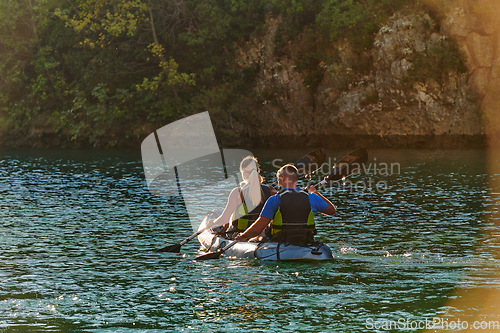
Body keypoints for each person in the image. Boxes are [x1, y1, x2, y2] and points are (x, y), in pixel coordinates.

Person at [235, 164, 336, 244]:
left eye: (278, 178)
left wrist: (242, 236)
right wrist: (316, 193)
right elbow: (332, 210)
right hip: (305, 241)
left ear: (283, 178)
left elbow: (257, 229)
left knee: (256, 238)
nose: (278, 182)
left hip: (280, 242)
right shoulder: (312, 197)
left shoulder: (274, 200)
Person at [209, 155, 277, 239]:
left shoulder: (237, 192)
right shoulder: (271, 190)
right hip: (262, 234)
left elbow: (224, 219)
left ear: (244, 173)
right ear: (258, 171)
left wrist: (212, 222)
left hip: (239, 234)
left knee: (221, 225)